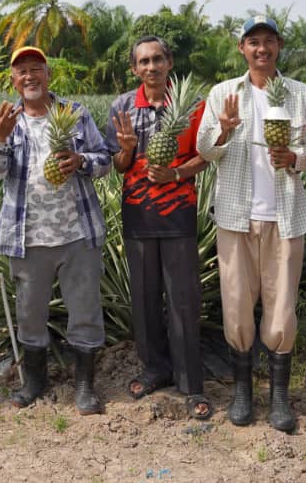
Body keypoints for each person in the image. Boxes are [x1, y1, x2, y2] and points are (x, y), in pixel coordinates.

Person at [196, 16, 306, 432]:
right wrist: (225, 130)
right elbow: (204, 150)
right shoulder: (223, 94)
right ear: (242, 48)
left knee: (281, 308)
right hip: (234, 215)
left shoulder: (304, 96)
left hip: (285, 216)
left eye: (268, 41)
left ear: (279, 46)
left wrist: (296, 158)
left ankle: (280, 397)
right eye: (254, 42)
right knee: (236, 306)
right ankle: (243, 391)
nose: (261, 49)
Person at [0, 46, 112, 415]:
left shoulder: (75, 114)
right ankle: (35, 381)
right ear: (13, 80)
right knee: (30, 313)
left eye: (36, 69)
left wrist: (81, 161)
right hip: (29, 236)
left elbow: (105, 160)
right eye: (22, 71)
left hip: (77, 234)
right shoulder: (10, 119)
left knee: (85, 311)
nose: (29, 77)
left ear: (48, 74)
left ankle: (85, 386)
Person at [105, 36, 211, 419]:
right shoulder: (121, 107)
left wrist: (176, 173)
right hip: (137, 213)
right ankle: (155, 368)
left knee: (183, 299)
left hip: (179, 213)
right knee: (144, 297)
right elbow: (116, 165)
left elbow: (206, 156)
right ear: (135, 69)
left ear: (169, 63)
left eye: (158, 60)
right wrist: (128, 150)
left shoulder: (192, 106)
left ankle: (190, 381)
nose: (151, 67)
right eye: (143, 62)